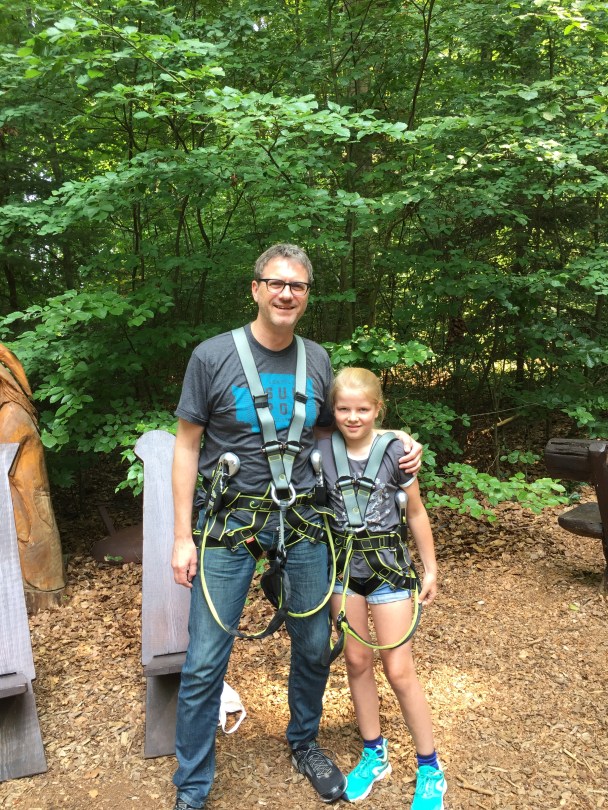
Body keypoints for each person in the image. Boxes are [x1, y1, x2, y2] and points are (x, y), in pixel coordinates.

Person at [170, 244, 423, 810]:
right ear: (256, 288)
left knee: (313, 645)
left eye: (298, 286)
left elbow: (342, 435)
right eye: (276, 283)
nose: (286, 294)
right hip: (230, 521)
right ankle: (191, 786)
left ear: (306, 296)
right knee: (206, 656)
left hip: (306, 520)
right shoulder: (212, 358)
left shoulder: (318, 360)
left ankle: (304, 742)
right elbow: (187, 447)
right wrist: (182, 535)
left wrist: (397, 444)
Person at [317, 367, 446, 809]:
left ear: (378, 410)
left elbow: (415, 513)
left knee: (398, 669)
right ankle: (374, 752)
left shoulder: (395, 451)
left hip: (388, 568)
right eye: (343, 409)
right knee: (356, 660)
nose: (353, 417)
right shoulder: (322, 449)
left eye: (363, 409)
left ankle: (430, 766)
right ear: (332, 411)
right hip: (342, 570)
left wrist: (429, 568)